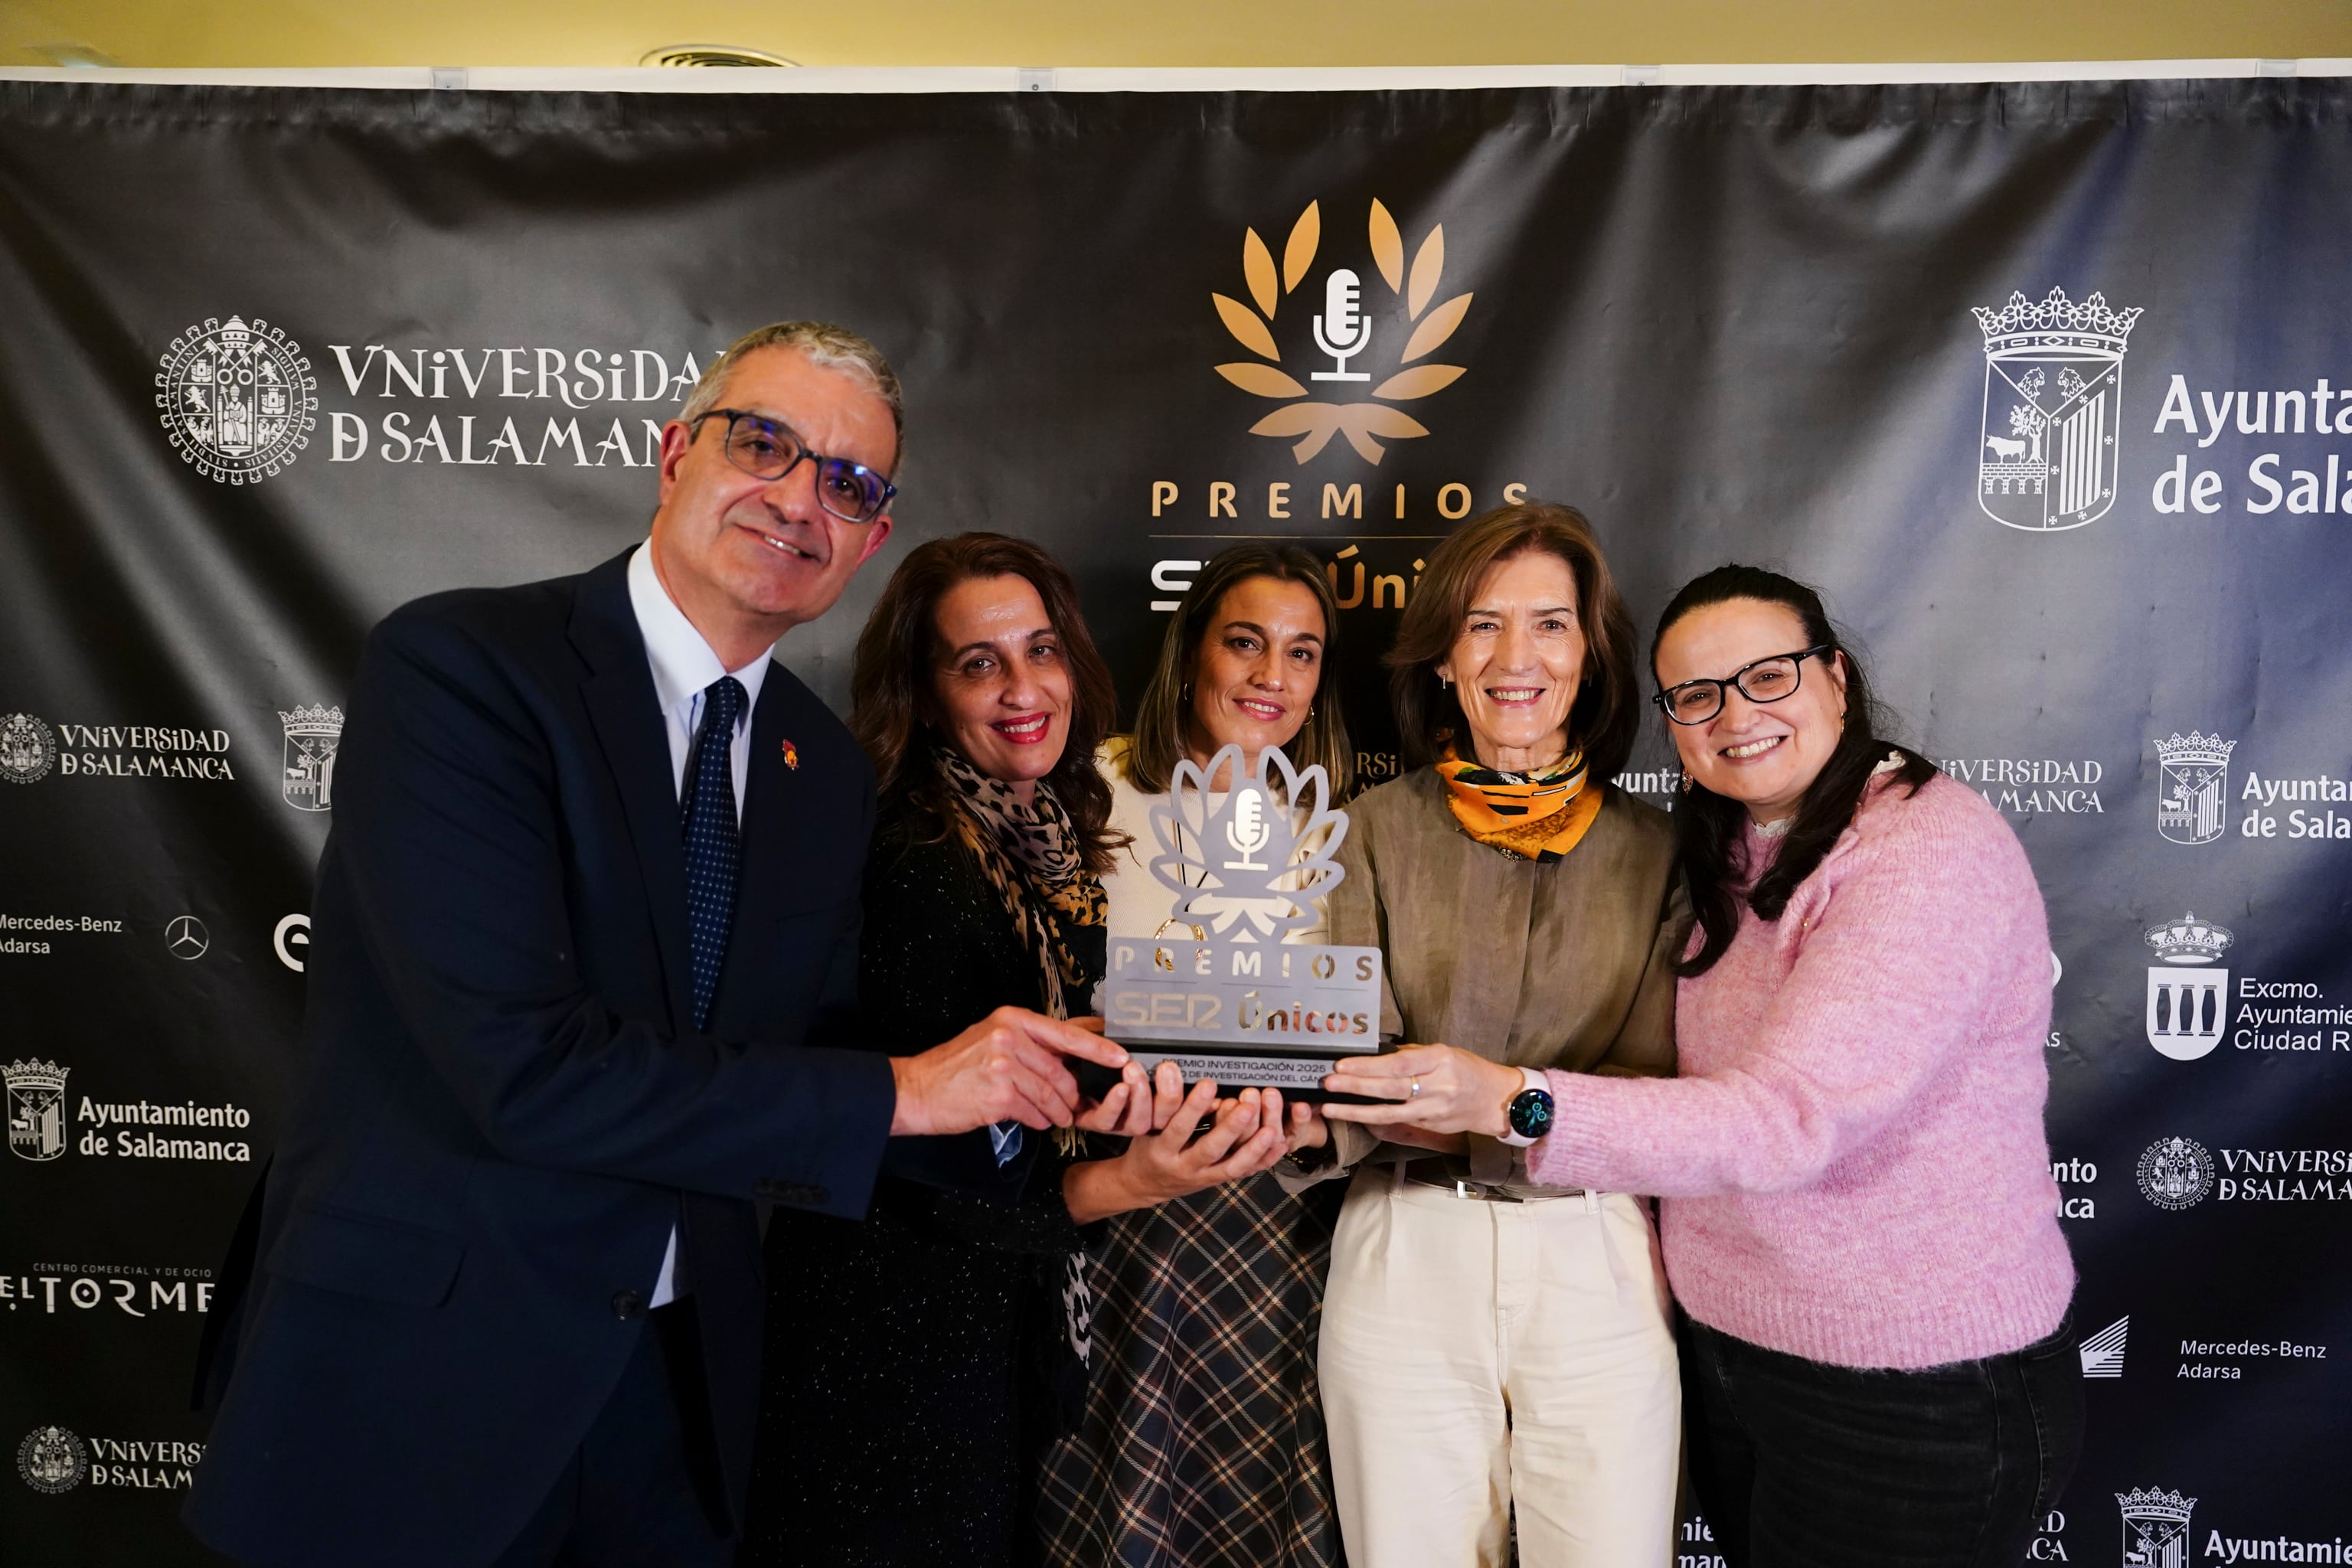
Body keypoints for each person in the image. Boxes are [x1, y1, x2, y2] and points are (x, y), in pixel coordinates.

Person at [183, 323, 1126, 1568]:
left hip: (677, 1417)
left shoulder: (822, 770)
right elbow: (525, 1070)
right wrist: (909, 1089)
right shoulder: (465, 670)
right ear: (676, 452)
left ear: (871, 536)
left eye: (848, 485)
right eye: (765, 444)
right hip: (424, 1390)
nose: (800, 499)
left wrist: (1069, 1114)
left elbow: (818, 1075)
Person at [1327, 564, 2082, 1567]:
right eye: (1696, 695)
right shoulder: (1734, 846)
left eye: (1769, 676)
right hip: (1742, 1355)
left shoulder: (1921, 851)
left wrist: (1514, 1099)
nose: (1737, 715)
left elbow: (1784, 1118)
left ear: (1839, 679)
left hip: (1915, 1385)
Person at [745, 534, 1299, 1568]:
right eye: (977, 663)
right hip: (889, 1358)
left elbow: (1031, 1100)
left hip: (987, 1334)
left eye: (1040, 651)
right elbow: (918, 1172)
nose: (1021, 688)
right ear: (922, 692)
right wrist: (1125, 1182)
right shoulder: (914, 859)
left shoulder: (1040, 835)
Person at [1288, 502, 1685, 1568]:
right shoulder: (1369, 830)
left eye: (1551, 624)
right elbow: (1348, 1077)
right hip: (1405, 1246)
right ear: (1444, 659)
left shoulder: (1661, 854)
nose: (1518, 658)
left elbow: (1654, 1097)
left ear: (1592, 654)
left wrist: (1481, 1095)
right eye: (1483, 625)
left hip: (1595, 1248)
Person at [1036, 543, 1351, 1568]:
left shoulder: (1333, 829)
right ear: (1195, 651)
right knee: (1125, 1488)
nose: (1273, 676)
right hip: (1125, 1205)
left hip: (1274, 1218)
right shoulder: (1094, 794)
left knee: (1260, 1498)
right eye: (1247, 644)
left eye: (1302, 653)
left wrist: (1317, 1131)